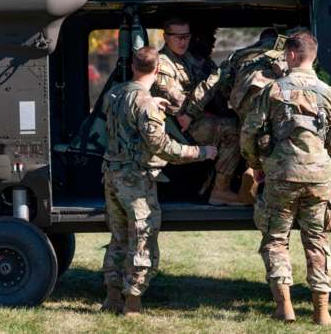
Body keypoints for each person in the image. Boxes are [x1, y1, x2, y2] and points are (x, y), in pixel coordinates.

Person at [241, 31, 331, 325]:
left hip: (281, 176)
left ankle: (285, 307)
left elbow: (249, 133)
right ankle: (321, 311)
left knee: (276, 240)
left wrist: (256, 164)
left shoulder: (272, 91)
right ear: (313, 56)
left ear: (292, 55)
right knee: (317, 240)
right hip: (319, 177)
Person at [101, 46, 217, 316]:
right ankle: (132, 304)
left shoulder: (115, 93)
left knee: (118, 239)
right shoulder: (145, 103)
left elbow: (126, 118)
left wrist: (153, 105)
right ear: (156, 70)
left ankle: (112, 297)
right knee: (142, 239)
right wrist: (202, 152)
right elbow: (162, 147)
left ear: (132, 66)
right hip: (137, 181)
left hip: (112, 175)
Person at [178, 28, 286, 203]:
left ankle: (249, 171)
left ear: (260, 40)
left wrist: (190, 112)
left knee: (246, 133)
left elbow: (214, 82)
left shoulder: (242, 54)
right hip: (274, 102)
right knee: (274, 139)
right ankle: (267, 185)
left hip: (245, 102)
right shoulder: (288, 53)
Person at [152, 17, 242, 205]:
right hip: (175, 130)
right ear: (165, 37)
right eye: (178, 37)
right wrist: (215, 79)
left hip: (192, 122)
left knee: (241, 122)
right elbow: (181, 108)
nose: (183, 41)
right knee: (233, 131)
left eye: (186, 37)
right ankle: (221, 189)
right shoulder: (162, 65)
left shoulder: (189, 59)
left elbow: (216, 91)